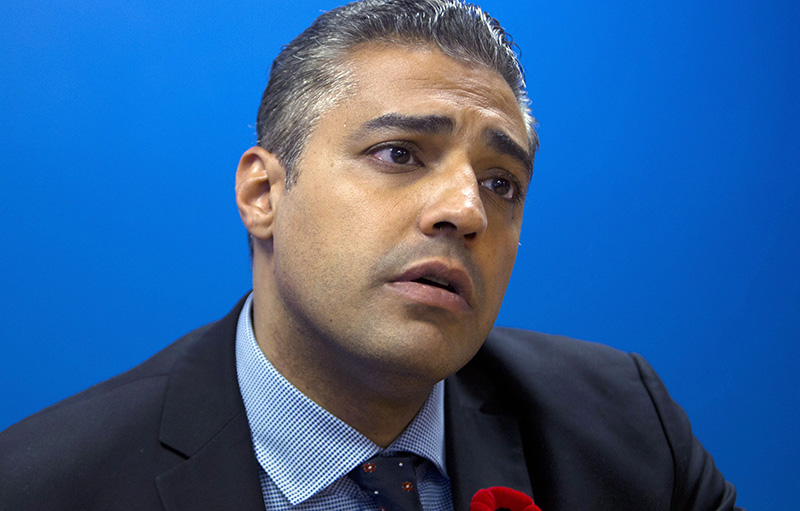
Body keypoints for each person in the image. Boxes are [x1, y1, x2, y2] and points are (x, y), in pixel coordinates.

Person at [0, 0, 742, 510]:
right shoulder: (40, 486)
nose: (465, 210)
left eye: (501, 181)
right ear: (264, 192)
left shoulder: (630, 431)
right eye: (399, 153)